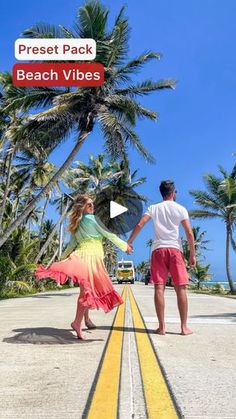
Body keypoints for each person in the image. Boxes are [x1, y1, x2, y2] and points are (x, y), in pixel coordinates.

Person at [35, 194, 132, 339]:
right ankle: (77, 323)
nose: (93, 207)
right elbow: (108, 234)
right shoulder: (93, 220)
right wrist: (125, 246)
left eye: (93, 204)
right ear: (82, 207)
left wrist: (62, 258)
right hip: (91, 260)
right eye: (89, 205)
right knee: (86, 293)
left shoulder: (77, 223)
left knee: (86, 292)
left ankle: (85, 320)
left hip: (80, 258)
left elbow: (72, 245)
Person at [128, 180, 196, 336]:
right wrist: (192, 254)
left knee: (159, 288)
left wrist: (129, 241)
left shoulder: (154, 208)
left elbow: (140, 224)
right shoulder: (181, 209)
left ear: (162, 193)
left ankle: (161, 327)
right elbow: (189, 233)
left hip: (158, 250)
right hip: (175, 250)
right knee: (181, 288)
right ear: (173, 192)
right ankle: (184, 327)